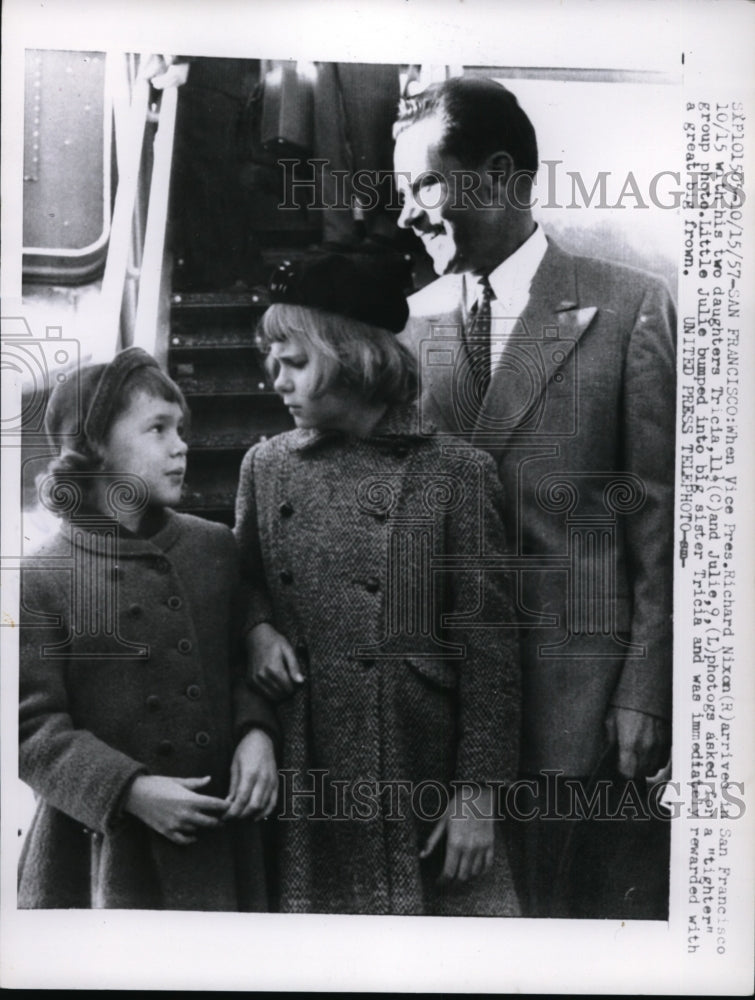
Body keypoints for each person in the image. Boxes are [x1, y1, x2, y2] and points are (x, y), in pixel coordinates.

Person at [393, 76, 675, 918]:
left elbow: (660, 525)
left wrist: (643, 689)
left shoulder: (626, 307)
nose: (407, 210)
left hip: (578, 711)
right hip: (444, 712)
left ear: (503, 175)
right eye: (400, 189)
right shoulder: (409, 326)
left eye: (425, 184)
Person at [234, 254, 521, 915]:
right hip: (306, 753)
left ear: (353, 357)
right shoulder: (266, 466)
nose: (275, 379)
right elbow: (241, 581)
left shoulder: (455, 472)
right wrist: (256, 631)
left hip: (414, 749)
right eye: (271, 360)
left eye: (294, 361)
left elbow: (489, 645)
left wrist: (477, 791)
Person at [18, 347, 278, 910]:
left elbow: (240, 664)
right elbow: (26, 728)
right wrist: (129, 791)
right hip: (102, 851)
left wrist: (257, 732)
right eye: (157, 429)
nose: (181, 445)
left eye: (180, 428)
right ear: (95, 448)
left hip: (221, 838)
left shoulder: (213, 547)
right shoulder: (42, 578)